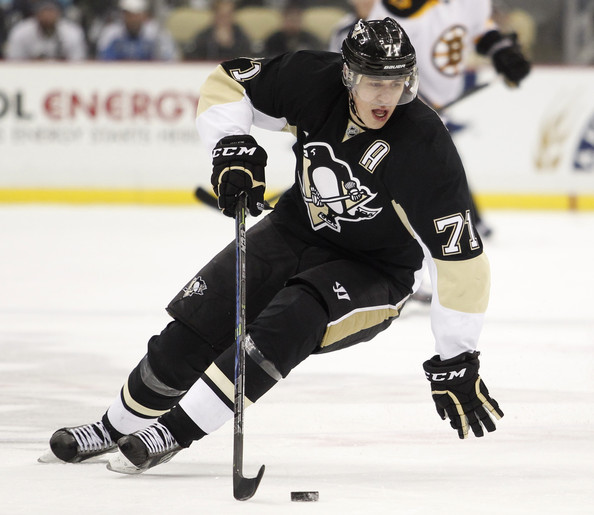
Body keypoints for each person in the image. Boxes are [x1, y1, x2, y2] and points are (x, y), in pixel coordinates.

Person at [40, 18, 503, 475]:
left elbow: (461, 258)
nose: (386, 97)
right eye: (372, 83)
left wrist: (456, 356)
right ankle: (114, 427)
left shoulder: (425, 144)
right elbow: (228, 81)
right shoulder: (312, 79)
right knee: (199, 323)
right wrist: (231, 146)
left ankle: (174, 432)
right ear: (347, 76)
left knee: (294, 314)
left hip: (377, 270)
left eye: (398, 83)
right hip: (294, 228)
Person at [366, 0, 531, 239]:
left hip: (434, 106)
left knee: (442, 161)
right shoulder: (400, 5)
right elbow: (381, 57)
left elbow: (479, 29)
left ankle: (464, 218)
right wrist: (407, 95)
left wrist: (500, 51)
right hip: (398, 103)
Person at [96, 0, 178, 61]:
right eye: (129, 14)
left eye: (136, 14)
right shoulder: (111, 33)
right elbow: (103, 60)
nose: (133, 19)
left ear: (144, 15)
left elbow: (168, 61)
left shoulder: (157, 33)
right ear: (123, 15)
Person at [5, 0, 87, 60]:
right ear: (36, 14)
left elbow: (78, 61)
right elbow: (14, 60)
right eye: (44, 11)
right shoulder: (21, 31)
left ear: (58, 13)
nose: (48, 15)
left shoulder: (72, 32)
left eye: (51, 11)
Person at [183, 0, 252, 61]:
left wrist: (230, 45)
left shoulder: (240, 35)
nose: (225, 20)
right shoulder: (204, 36)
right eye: (221, 16)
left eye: (228, 16)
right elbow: (192, 58)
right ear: (215, 16)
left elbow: (248, 57)